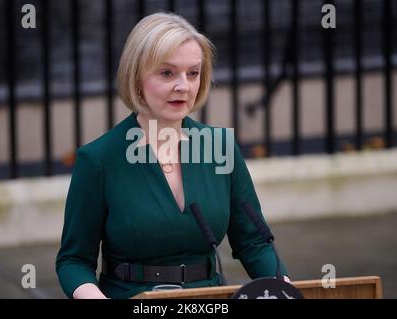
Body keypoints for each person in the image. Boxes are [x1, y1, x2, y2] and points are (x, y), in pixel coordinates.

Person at [56, 12, 289, 299]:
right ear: (136, 76)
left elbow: (254, 242)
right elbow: (73, 261)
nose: (184, 86)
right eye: (167, 73)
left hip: (208, 301)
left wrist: (285, 289)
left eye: (193, 73)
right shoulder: (99, 159)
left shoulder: (220, 147)